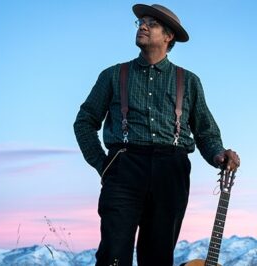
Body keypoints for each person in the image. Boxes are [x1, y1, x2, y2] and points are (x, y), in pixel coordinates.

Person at [74, 3, 240, 266]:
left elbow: (206, 132)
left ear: (168, 36)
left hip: (170, 170)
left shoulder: (189, 81)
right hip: (124, 167)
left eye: (152, 24)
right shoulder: (113, 75)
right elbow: (84, 122)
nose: (142, 26)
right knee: (112, 255)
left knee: (158, 258)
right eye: (141, 22)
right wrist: (104, 165)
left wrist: (219, 155)